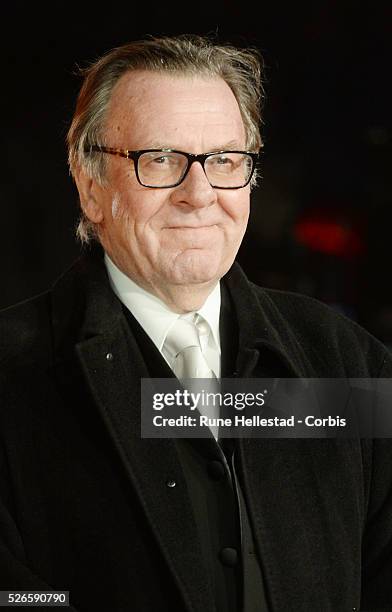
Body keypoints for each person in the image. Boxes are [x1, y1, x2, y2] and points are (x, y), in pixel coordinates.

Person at [0, 34, 391, 612]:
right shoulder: (12, 372)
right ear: (90, 185)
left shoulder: (347, 359)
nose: (200, 194)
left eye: (225, 161)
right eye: (159, 159)